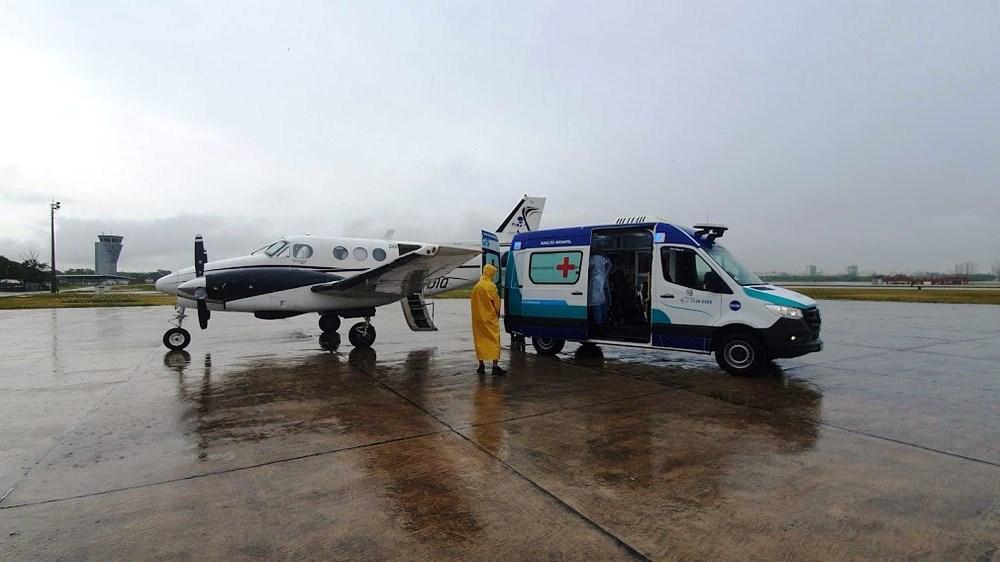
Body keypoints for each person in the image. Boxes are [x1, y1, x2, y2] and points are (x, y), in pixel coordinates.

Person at [471, 263, 506, 376]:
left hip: (478, 319)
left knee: (480, 341)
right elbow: (496, 303)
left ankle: (481, 365)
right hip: (489, 319)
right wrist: (496, 314)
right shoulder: (490, 286)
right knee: (494, 341)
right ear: (490, 273)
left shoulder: (477, 286)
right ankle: (495, 367)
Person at [589, 254, 612, 324]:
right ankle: (602, 322)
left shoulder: (593, 259)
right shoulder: (603, 274)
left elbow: (587, 267)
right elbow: (610, 264)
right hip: (601, 298)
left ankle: (599, 324)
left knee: (597, 304)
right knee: (602, 304)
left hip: (597, 297)